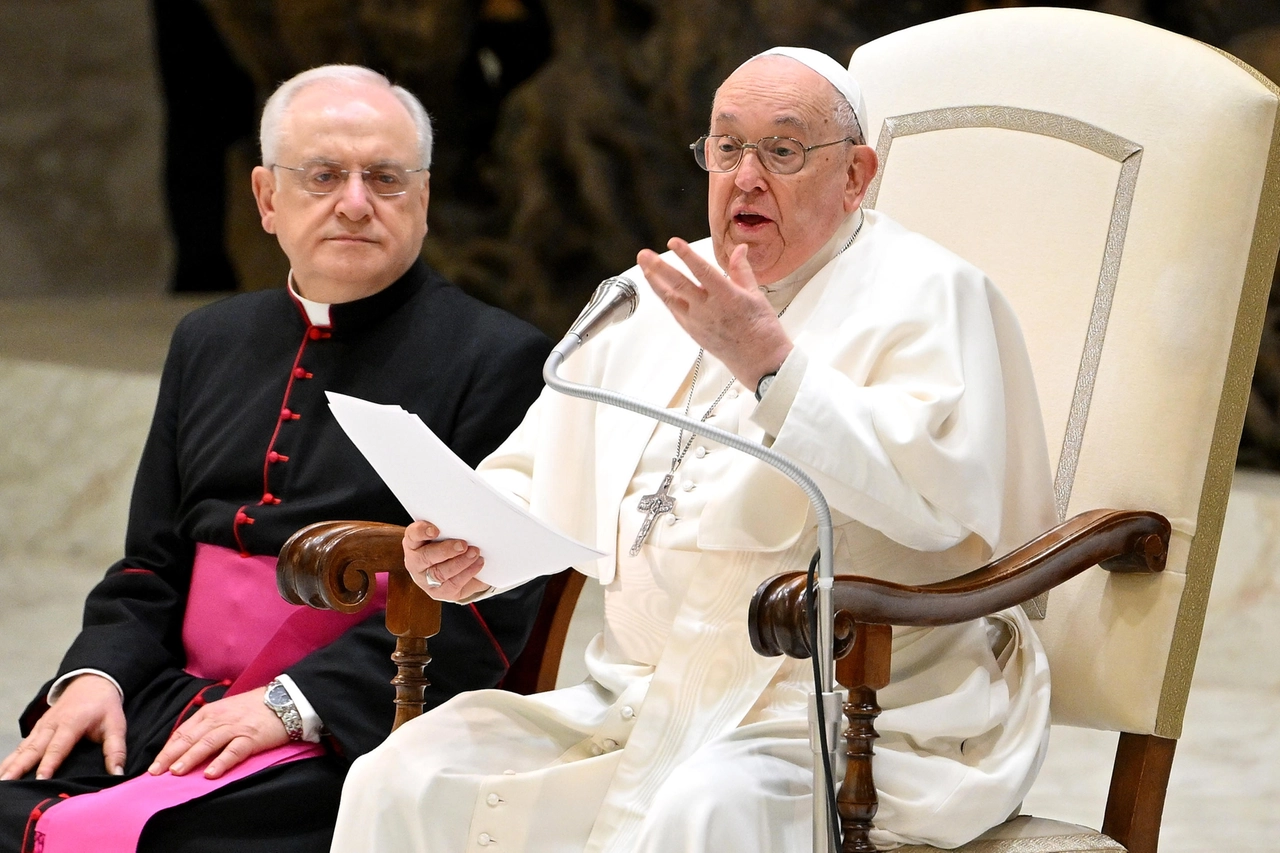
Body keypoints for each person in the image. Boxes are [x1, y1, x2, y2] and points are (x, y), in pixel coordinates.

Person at [331, 47, 1058, 852]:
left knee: (709, 807)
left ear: (856, 175)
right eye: (725, 148)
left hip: (841, 711)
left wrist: (773, 368)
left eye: (782, 151)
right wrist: (467, 547)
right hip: (634, 697)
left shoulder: (932, 295)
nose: (746, 177)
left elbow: (936, 504)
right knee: (399, 775)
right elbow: (533, 473)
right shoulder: (649, 293)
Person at [0, 65, 552, 853]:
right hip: (170, 701)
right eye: (323, 174)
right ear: (266, 197)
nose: (355, 202)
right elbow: (150, 564)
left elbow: (488, 609)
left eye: (386, 178)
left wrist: (289, 704)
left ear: (423, 200)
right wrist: (99, 675)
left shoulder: (496, 358)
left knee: (158, 840)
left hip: (354, 722)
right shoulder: (208, 341)